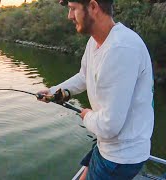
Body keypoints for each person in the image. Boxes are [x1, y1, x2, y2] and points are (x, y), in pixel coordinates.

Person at [37, 0, 154, 179]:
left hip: (121, 156)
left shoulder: (120, 49)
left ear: (93, 7)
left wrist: (86, 115)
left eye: (73, 9)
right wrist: (56, 91)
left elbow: (109, 125)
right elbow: (85, 76)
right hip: (107, 145)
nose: (69, 16)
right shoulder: (95, 42)